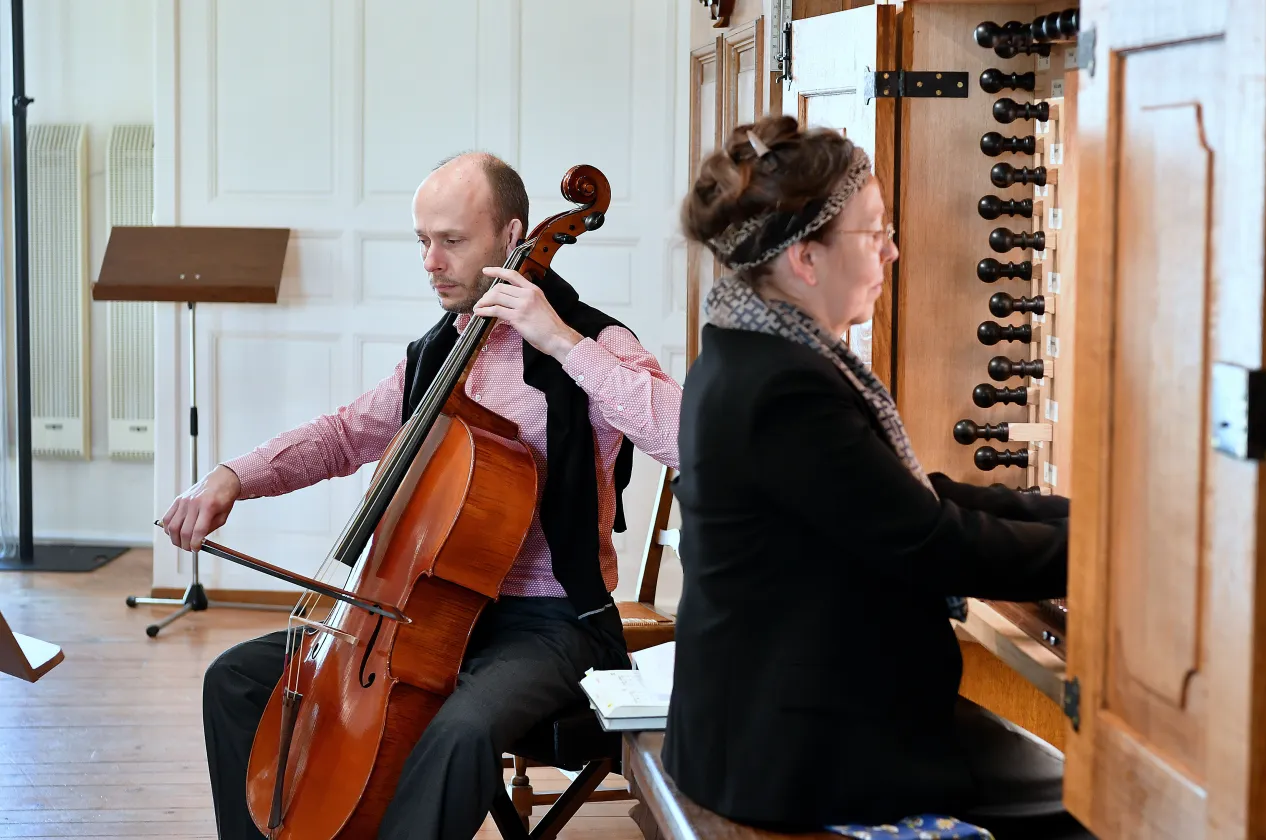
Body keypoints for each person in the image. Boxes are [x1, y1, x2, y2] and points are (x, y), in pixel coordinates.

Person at [160, 152, 682, 839]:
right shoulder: (439, 351)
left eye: (452, 240)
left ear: (512, 236)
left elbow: (688, 439)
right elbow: (344, 434)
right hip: (416, 615)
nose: (431, 262)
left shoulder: (594, 342)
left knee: (461, 731)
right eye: (423, 241)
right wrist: (232, 476)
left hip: (547, 624)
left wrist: (560, 342)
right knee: (236, 681)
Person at [662, 115, 1074, 837]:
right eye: (874, 231)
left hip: (777, 722)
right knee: (1101, 806)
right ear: (806, 258)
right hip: (799, 750)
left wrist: (1077, 518)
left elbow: (910, 497)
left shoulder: (752, 350)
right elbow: (931, 541)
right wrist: (1104, 557)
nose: (891, 250)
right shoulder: (781, 385)